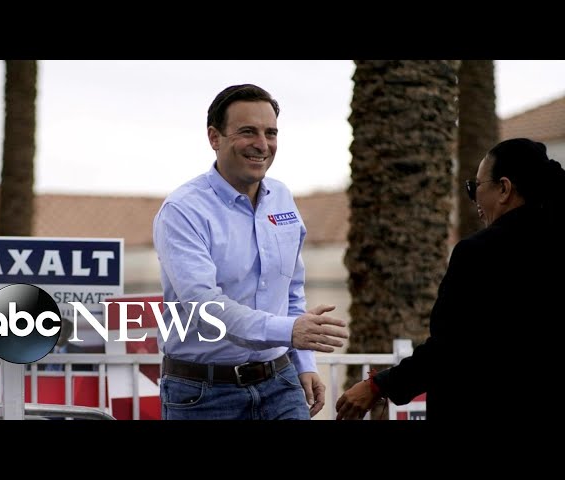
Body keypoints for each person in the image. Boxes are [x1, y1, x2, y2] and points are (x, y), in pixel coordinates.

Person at [152, 84, 349, 420]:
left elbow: (290, 289)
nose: (262, 144)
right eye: (248, 132)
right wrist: (289, 332)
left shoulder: (282, 198)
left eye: (271, 133)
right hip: (203, 395)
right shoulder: (183, 210)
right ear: (214, 137)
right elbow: (205, 307)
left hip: (281, 383)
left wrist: (304, 362)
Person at [336, 138, 565, 421]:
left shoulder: (479, 252)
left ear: (504, 189)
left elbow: (449, 347)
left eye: (475, 187)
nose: (474, 199)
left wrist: (377, 385)